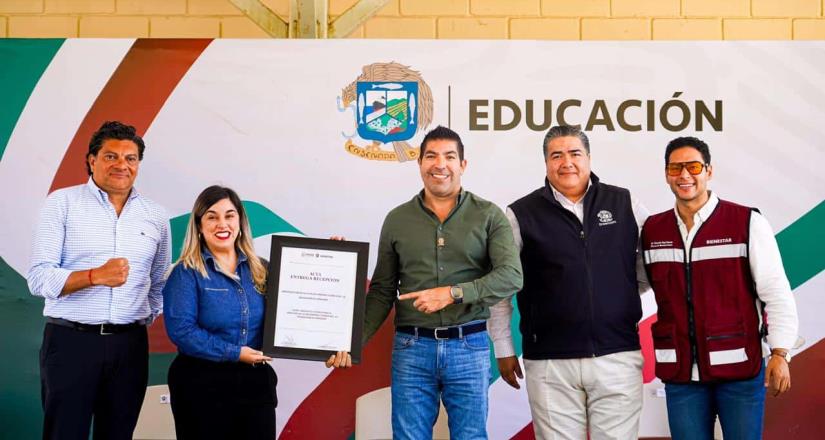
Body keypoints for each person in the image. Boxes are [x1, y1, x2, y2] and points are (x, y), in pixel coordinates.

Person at [361, 125, 523, 439]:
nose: (440, 164)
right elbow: (381, 290)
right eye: (431, 156)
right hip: (411, 347)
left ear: (463, 165)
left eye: (450, 156)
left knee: (471, 436)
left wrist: (453, 293)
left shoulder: (489, 216)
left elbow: (511, 275)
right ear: (419, 163)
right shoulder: (397, 219)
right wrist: (353, 342)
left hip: (469, 345)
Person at [489, 125, 649, 439]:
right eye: (556, 155)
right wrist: (503, 347)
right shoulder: (520, 214)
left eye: (575, 153)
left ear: (588, 157)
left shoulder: (624, 203)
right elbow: (500, 285)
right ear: (546, 162)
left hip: (616, 356)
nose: (567, 163)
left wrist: (623, 291)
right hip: (550, 363)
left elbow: (653, 258)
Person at [641, 136, 799, 440]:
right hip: (682, 376)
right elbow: (633, 286)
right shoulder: (652, 230)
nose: (684, 175)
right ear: (666, 174)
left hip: (739, 372)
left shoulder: (745, 222)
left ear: (709, 171)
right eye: (676, 168)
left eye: (693, 166)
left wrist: (780, 352)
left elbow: (776, 292)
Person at [27, 120, 171, 440]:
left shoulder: (156, 216)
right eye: (111, 156)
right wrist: (94, 276)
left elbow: (158, 281)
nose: (121, 164)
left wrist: (143, 315)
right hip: (70, 343)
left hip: (129, 346)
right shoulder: (61, 204)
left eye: (130, 158)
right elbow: (38, 278)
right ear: (92, 160)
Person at [162, 185, 277, 440]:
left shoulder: (263, 270)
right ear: (199, 226)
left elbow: (297, 306)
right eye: (212, 217)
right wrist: (235, 353)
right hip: (201, 384)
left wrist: (332, 257)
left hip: (256, 384)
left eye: (229, 215)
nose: (221, 224)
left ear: (240, 221)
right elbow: (182, 331)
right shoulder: (186, 273)